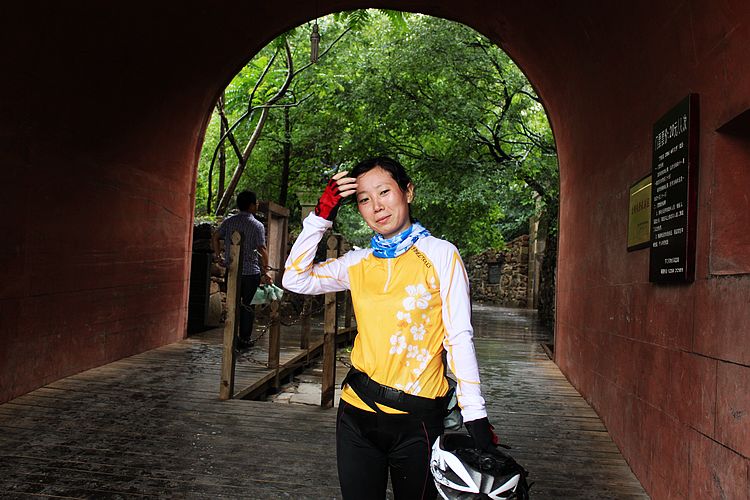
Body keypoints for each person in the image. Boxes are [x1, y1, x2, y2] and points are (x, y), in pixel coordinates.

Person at [282, 157, 499, 500]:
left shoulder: (441, 255)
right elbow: (295, 278)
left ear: (408, 192)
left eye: (384, 192)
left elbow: (459, 337)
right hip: (356, 413)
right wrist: (321, 216)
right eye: (364, 199)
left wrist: (475, 415)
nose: (377, 206)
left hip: (418, 421)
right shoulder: (357, 262)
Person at [212, 190, 271, 350]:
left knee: (232, 304)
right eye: (256, 203)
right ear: (251, 205)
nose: (257, 205)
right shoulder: (257, 225)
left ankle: (231, 335)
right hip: (251, 272)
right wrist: (266, 270)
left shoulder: (229, 222)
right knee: (248, 306)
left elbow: (216, 236)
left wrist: (218, 256)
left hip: (232, 271)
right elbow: (262, 249)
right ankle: (245, 338)